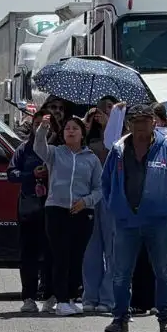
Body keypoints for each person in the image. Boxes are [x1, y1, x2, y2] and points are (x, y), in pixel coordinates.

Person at [101, 104, 167, 332]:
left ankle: (165, 318)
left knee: (164, 272)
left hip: (159, 222)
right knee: (121, 273)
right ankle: (119, 318)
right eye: (135, 120)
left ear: (154, 122)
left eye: (145, 120)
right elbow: (105, 182)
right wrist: (116, 207)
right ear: (128, 124)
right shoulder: (118, 149)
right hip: (126, 222)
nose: (140, 124)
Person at [33, 114, 103, 316]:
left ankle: (72, 297)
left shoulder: (91, 159)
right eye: (67, 129)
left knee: (76, 257)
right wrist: (43, 129)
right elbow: (39, 148)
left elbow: (99, 188)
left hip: (81, 212)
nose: (70, 131)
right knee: (60, 256)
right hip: (57, 209)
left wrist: (86, 202)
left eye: (75, 128)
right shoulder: (55, 153)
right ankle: (60, 299)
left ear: (83, 133)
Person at [8, 119, 50, 313]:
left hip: (55, 206)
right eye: (39, 123)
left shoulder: (60, 149)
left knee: (53, 253)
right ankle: (29, 297)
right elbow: (12, 173)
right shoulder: (25, 149)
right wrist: (31, 174)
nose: (43, 127)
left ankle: (52, 295)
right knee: (29, 254)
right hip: (30, 206)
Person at [80, 106, 115, 313]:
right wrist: (86, 125)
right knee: (91, 250)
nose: (102, 114)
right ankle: (90, 295)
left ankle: (108, 297)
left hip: (111, 195)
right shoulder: (86, 135)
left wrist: (109, 126)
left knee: (113, 248)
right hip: (91, 195)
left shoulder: (120, 137)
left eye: (108, 109)